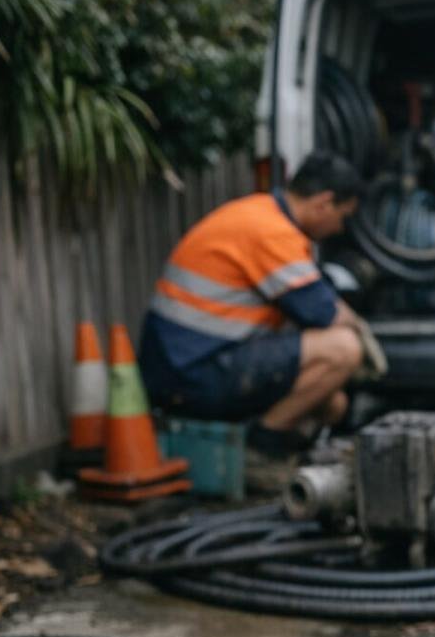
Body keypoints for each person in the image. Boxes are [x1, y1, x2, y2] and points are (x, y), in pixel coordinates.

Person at [137, 152, 369, 483]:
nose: (339, 229)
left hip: (184, 363)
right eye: (342, 217)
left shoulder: (258, 214)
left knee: (333, 404)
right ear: (323, 203)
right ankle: (260, 451)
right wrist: (359, 328)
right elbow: (324, 313)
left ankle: (281, 452)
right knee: (344, 349)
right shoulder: (273, 233)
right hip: (191, 372)